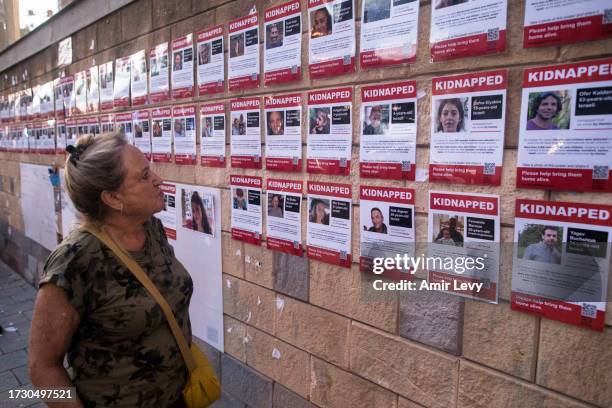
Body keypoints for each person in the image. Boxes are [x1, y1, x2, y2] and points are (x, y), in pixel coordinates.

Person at [28, 133, 193, 407]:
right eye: (143, 176)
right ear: (113, 198)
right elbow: (42, 369)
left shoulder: (151, 229)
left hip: (179, 397)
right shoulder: (74, 262)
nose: (158, 179)